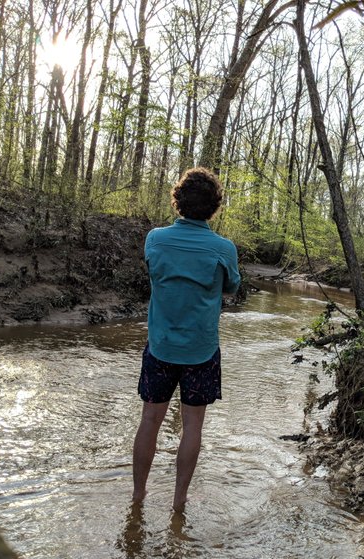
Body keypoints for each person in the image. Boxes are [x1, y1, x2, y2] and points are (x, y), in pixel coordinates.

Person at [132, 167, 241, 512]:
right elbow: (232, 287)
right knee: (192, 426)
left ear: (177, 201)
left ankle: (138, 496)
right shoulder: (224, 248)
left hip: (161, 346)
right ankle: (179, 501)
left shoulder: (155, 239)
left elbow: (153, 269)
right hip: (201, 350)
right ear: (214, 207)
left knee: (150, 419)